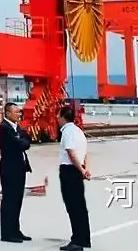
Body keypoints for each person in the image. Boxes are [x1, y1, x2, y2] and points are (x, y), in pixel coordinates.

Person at [57, 103, 91, 251]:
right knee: (80, 207)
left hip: (70, 171)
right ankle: (82, 238)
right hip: (77, 170)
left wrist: (82, 170)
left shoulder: (67, 132)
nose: (56, 118)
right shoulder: (78, 131)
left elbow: (71, 153)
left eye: (58, 115)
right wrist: (84, 168)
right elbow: (85, 153)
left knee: (73, 207)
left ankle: (77, 241)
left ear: (63, 117)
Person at [0, 101, 33, 243]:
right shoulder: (4, 128)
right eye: (16, 112)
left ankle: (15, 230)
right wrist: (22, 140)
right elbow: (20, 144)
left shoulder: (16, 127)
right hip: (10, 169)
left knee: (17, 200)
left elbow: (28, 139)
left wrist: (22, 139)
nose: (19, 114)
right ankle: (7, 233)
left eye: (19, 112)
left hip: (20, 169)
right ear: (7, 113)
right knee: (9, 200)